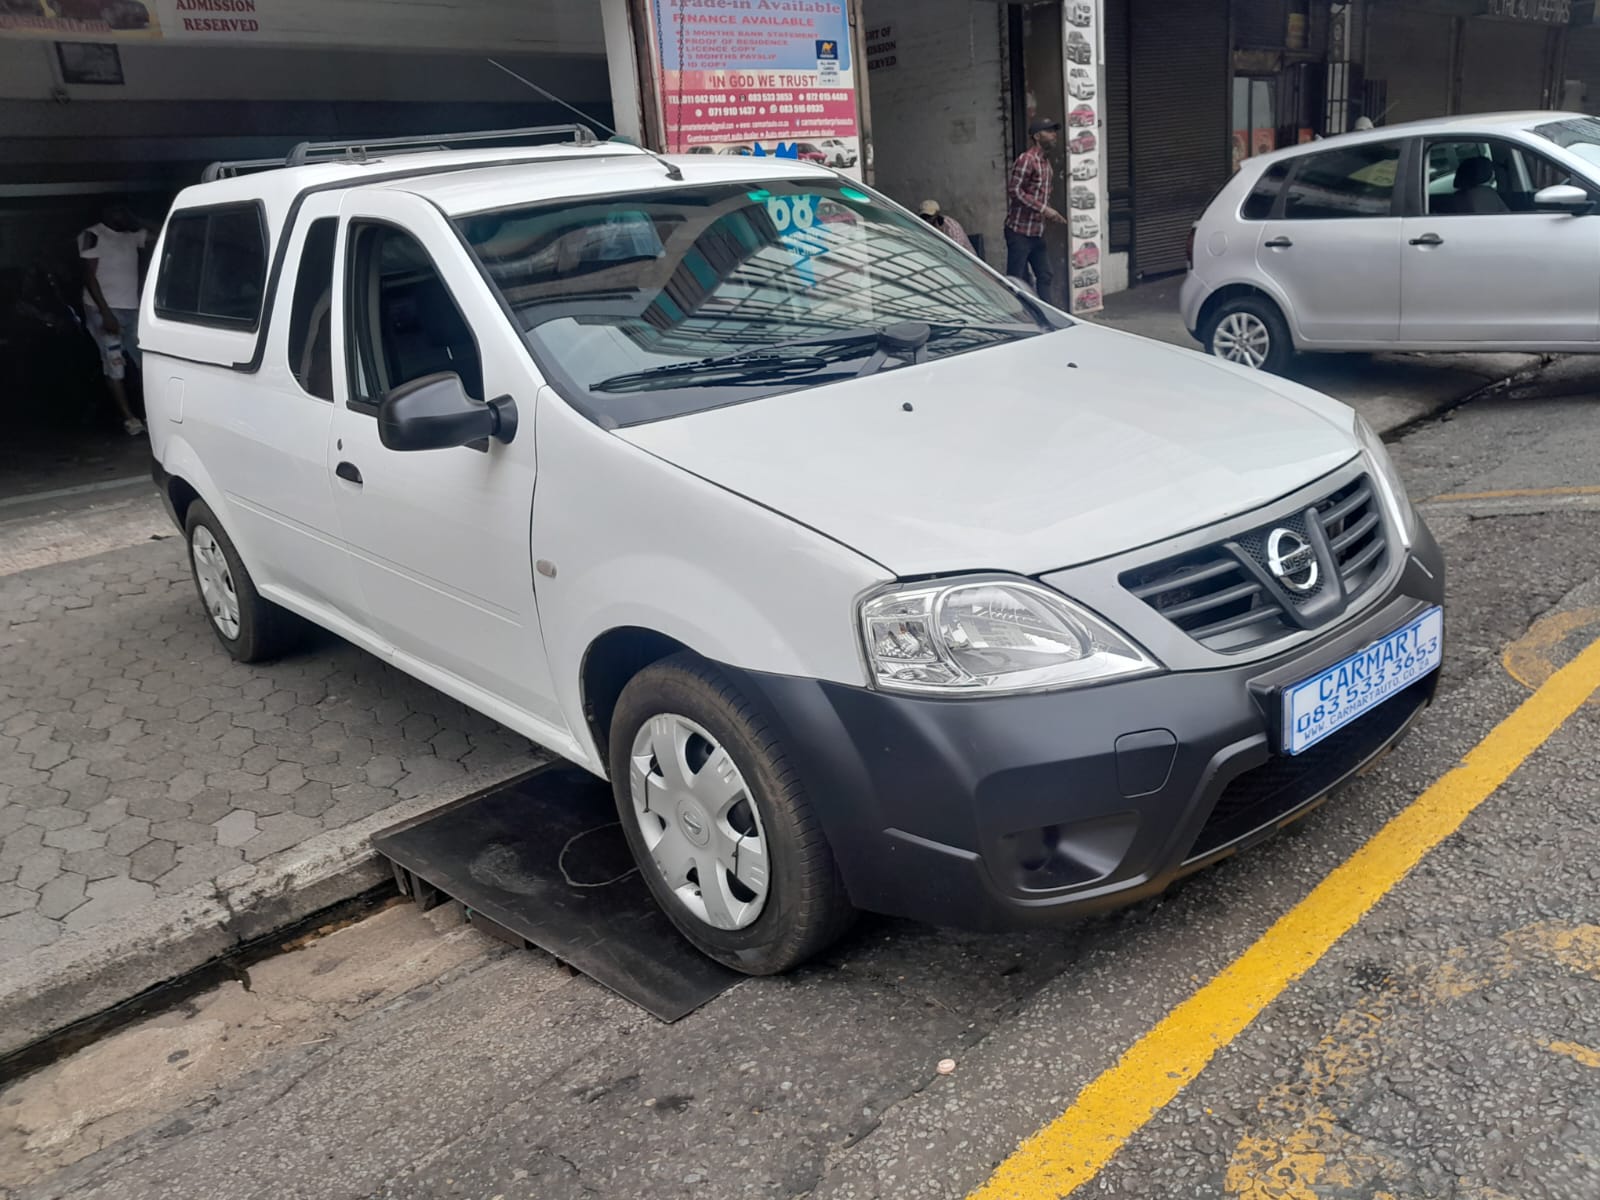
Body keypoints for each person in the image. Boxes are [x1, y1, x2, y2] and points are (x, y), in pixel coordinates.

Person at [78, 203, 156, 435]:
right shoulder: (92, 235)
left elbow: (165, 230)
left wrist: (138, 218)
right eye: (116, 210)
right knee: (115, 364)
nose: (119, 215)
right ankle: (129, 418)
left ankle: (149, 413)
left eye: (123, 211)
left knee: (146, 363)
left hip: (131, 309)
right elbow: (89, 277)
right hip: (103, 310)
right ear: (105, 212)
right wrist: (106, 313)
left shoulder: (132, 236)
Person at [1005, 118, 1067, 301]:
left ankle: (1047, 316)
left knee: (1045, 274)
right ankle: (1019, 319)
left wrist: (1049, 213)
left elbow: (1038, 195)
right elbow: (1014, 190)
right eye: (1049, 131)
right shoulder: (1027, 159)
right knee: (1016, 281)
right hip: (1019, 232)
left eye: (1054, 131)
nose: (1054, 135)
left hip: (1036, 233)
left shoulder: (1045, 164)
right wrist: (1044, 209)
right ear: (1037, 136)